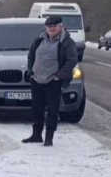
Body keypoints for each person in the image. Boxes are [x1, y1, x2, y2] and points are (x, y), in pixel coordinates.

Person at [23, 15, 78, 146]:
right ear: (46, 28)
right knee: (37, 109)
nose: (51, 29)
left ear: (60, 27)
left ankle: (49, 138)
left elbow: (72, 61)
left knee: (53, 111)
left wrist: (59, 76)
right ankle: (36, 135)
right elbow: (31, 56)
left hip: (53, 81)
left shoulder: (67, 42)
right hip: (37, 80)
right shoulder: (39, 40)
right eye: (49, 26)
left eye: (54, 26)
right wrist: (31, 72)